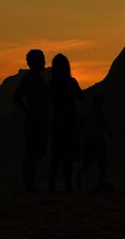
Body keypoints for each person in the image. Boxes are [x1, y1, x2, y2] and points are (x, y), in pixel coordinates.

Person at [13, 49, 49, 194]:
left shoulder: (27, 78)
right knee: (35, 152)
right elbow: (17, 98)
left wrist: (27, 110)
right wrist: (31, 111)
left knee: (32, 152)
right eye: (42, 60)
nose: (44, 62)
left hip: (32, 119)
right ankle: (30, 186)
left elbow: (16, 98)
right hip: (37, 120)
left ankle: (29, 185)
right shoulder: (36, 79)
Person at [48, 53, 83, 193]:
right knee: (68, 156)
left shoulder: (51, 84)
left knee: (56, 156)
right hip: (70, 122)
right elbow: (81, 97)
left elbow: (49, 100)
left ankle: (52, 186)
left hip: (58, 121)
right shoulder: (71, 82)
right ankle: (68, 186)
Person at [76, 94, 113, 192]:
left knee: (88, 163)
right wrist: (110, 134)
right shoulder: (101, 113)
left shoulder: (89, 112)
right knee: (102, 163)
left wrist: (85, 129)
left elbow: (80, 123)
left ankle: (78, 180)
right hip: (98, 139)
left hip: (89, 139)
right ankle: (100, 183)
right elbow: (106, 125)